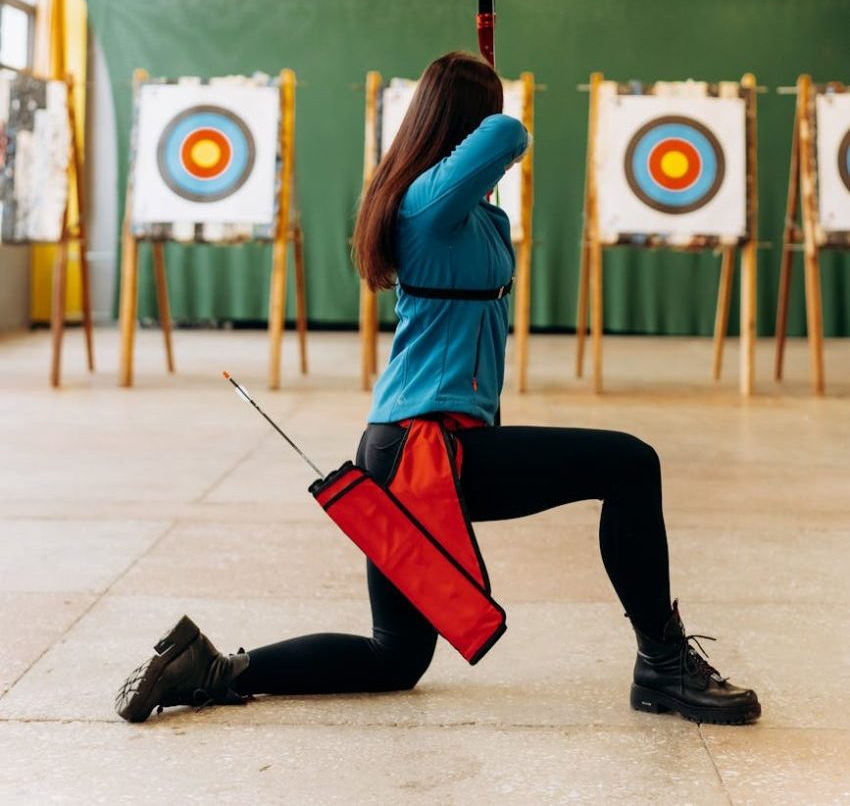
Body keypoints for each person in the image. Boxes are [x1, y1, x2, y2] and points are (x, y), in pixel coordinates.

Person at [115, 51, 760, 726]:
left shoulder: (459, 212)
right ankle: (663, 664)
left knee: (395, 658)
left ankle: (211, 669)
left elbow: (487, 184)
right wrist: (487, 98)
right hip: (425, 450)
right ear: (465, 124)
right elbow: (507, 135)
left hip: (407, 447)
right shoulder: (426, 204)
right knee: (629, 464)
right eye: (483, 117)